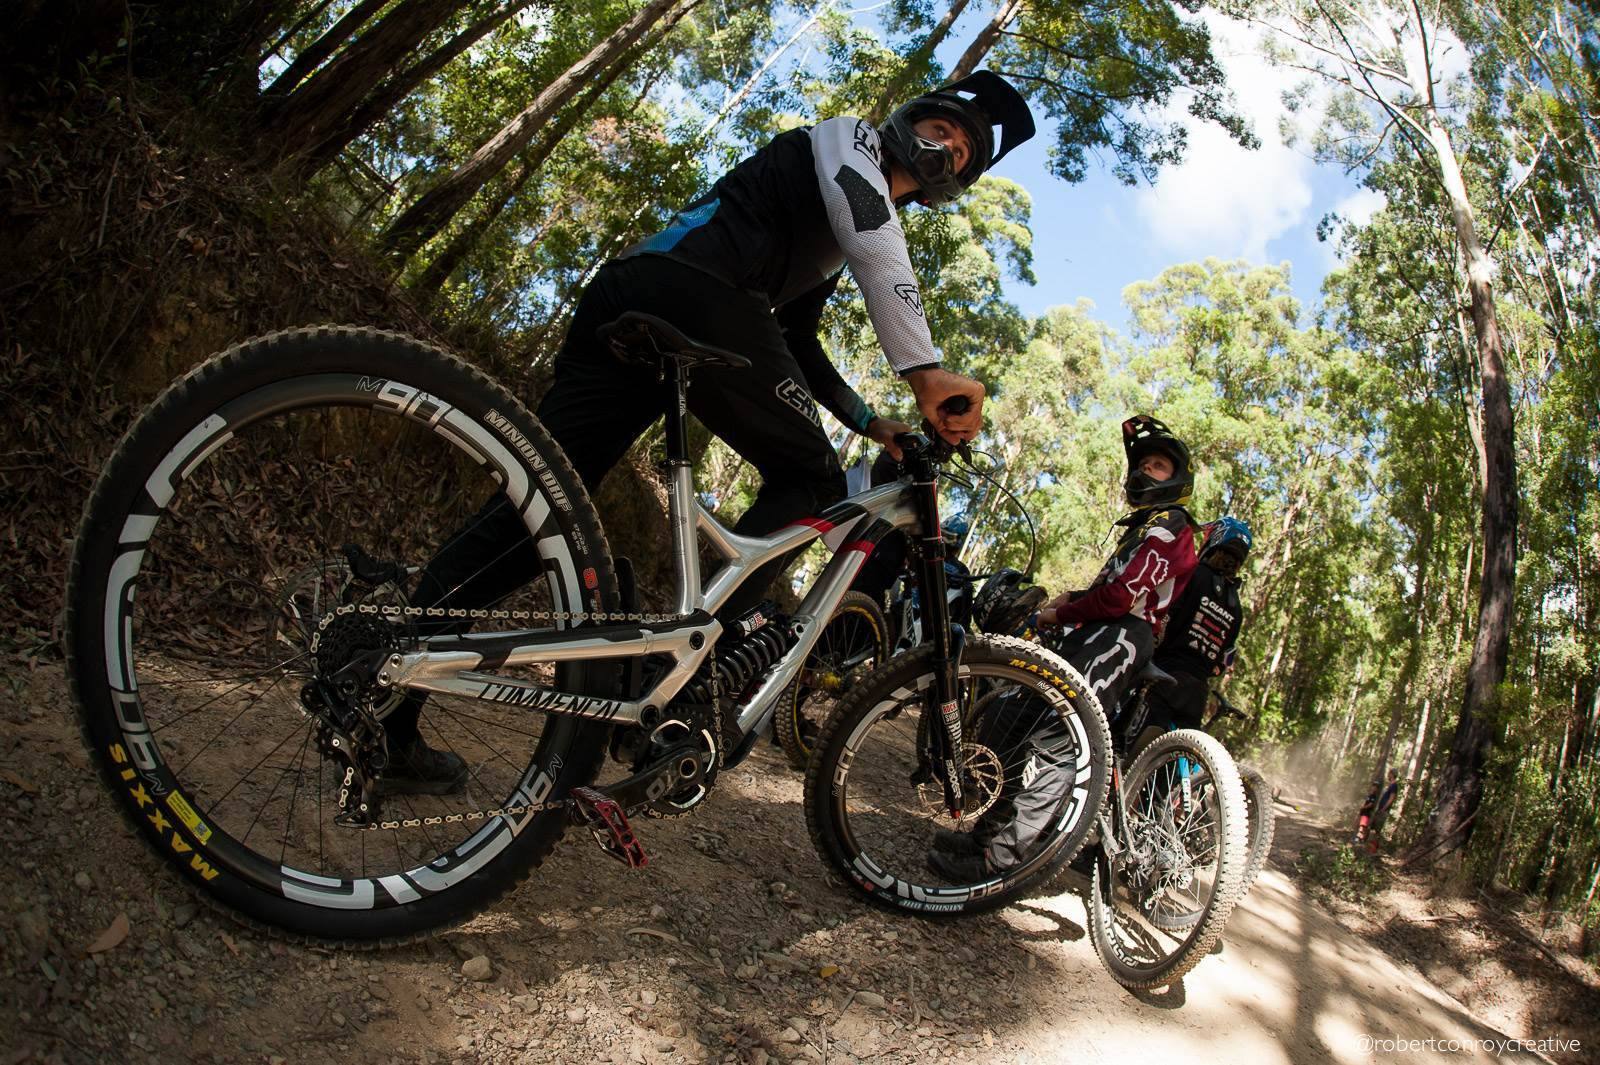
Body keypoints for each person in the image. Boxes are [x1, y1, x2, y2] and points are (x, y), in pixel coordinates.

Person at [378, 73, 1038, 793]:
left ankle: (380, 698)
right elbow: (870, 223)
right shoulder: (847, 141)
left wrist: (871, 421)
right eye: (944, 128)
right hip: (694, 292)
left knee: (536, 515)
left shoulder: (833, 237)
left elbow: (797, 339)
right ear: (913, 118)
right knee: (812, 482)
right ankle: (681, 668)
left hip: (638, 299)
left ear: (957, 182)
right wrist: (928, 372)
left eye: (963, 150)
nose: (946, 145)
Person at [929, 415, 1201, 879]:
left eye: (1156, 466)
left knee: (1060, 739)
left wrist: (1058, 612)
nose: (1142, 472)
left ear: (1176, 477)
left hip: (1121, 639)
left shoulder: (1172, 526)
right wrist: (1071, 602)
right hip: (1094, 634)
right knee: (1011, 717)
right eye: (1141, 465)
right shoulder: (1143, 526)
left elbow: (1120, 598)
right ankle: (986, 833)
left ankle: (1003, 860)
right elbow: (1109, 588)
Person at [1136, 516, 1252, 738]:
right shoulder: (1236, 607)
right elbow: (1224, 660)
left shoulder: (1192, 574)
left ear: (1212, 542)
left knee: (1132, 752)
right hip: (1197, 692)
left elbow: (1162, 613)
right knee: (1171, 763)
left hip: (1162, 676)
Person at [1365, 769, 1400, 855]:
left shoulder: (1394, 785)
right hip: (1381, 810)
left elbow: (1391, 798)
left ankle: (1372, 850)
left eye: (1389, 774)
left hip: (1383, 811)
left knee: (1377, 829)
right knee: (1373, 827)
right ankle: (1369, 846)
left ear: (1392, 774)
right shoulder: (1390, 785)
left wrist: (1384, 809)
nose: (1388, 775)